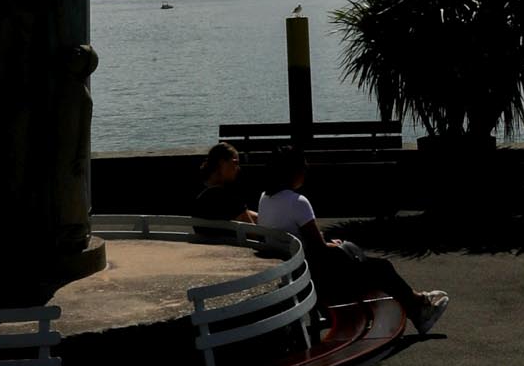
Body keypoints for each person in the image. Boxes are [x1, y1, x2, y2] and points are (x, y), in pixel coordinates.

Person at [258, 151, 448, 338]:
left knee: (373, 265)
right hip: (321, 280)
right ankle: (420, 309)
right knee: (382, 268)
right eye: (304, 167)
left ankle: (419, 305)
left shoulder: (264, 199)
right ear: (293, 171)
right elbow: (320, 248)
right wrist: (332, 244)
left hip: (295, 275)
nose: (306, 171)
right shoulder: (298, 202)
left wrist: (325, 243)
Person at [192, 142, 258, 230]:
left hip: (205, 242)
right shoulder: (227, 196)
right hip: (231, 243)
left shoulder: (199, 193)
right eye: (235, 162)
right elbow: (253, 232)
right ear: (222, 163)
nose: (238, 168)